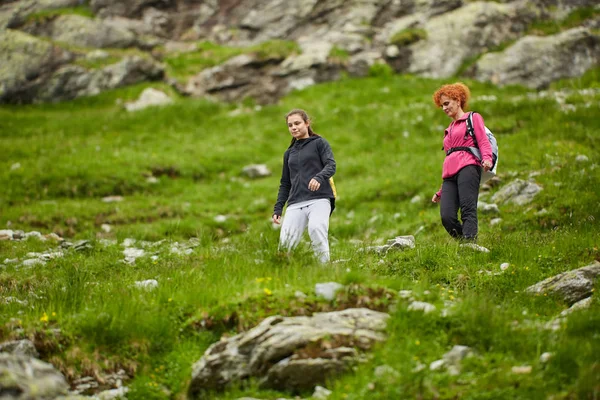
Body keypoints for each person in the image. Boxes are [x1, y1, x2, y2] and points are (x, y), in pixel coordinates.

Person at [431, 82, 493, 241]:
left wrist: (487, 158)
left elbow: (483, 141)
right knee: (447, 216)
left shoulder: (472, 118)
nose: (444, 108)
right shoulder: (449, 129)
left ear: (458, 101)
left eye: (447, 103)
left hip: (468, 167)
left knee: (467, 208)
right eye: (441, 106)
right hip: (449, 177)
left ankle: (470, 244)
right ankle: (463, 241)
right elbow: (450, 159)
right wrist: (440, 191)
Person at [273, 109, 337, 263]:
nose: (293, 127)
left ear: (307, 123)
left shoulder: (319, 143)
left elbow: (331, 165)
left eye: (297, 123)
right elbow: (285, 183)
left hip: (320, 199)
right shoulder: (289, 153)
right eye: (290, 125)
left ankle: (324, 268)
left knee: (316, 228)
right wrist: (278, 207)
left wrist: (319, 177)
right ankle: (285, 274)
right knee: (285, 243)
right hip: (295, 202)